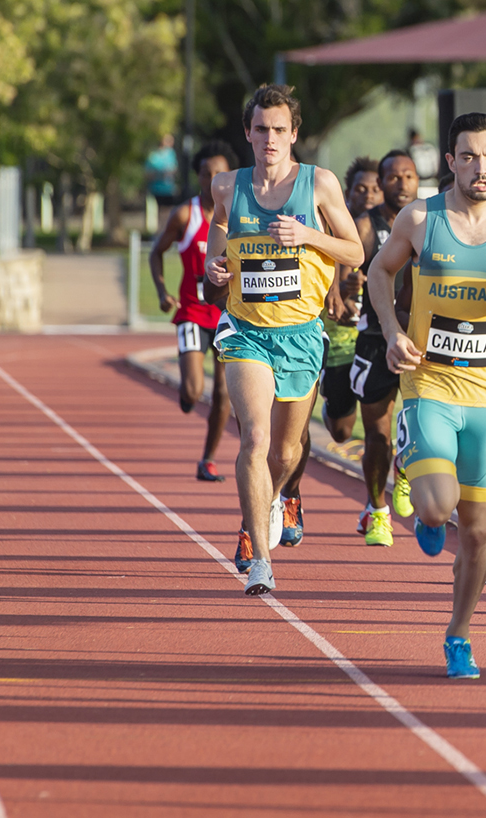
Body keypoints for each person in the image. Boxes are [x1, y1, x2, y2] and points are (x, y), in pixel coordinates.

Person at [366, 111, 486, 679]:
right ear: (451, 161)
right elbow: (379, 274)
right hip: (429, 385)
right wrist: (392, 332)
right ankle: (425, 503)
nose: (480, 167)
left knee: (479, 534)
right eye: (469, 156)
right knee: (436, 506)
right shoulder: (421, 218)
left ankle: (459, 635)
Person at [204, 84, 364, 596]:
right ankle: (261, 559)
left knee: (287, 450)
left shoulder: (319, 184)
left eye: (279, 129)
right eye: (261, 129)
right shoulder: (227, 186)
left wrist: (308, 235)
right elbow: (218, 239)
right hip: (246, 332)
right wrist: (214, 266)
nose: (269, 138)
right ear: (247, 133)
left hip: (300, 334)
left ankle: (273, 498)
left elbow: (355, 252)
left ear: (294, 134)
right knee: (255, 438)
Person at [150, 141, 238, 484]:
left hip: (227, 314)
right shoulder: (186, 215)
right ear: (198, 176)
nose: (212, 179)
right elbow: (156, 252)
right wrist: (162, 292)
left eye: (219, 173)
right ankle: (186, 394)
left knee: (224, 392)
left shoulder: (241, 215)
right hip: (192, 312)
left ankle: (208, 460)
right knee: (193, 390)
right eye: (205, 173)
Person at [350, 150, 421, 546]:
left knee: (422, 431)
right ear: (382, 183)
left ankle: (406, 465)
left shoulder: (430, 221)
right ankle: (378, 512)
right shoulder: (366, 224)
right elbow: (345, 269)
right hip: (376, 339)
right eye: (393, 177)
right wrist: (344, 288)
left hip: (420, 340)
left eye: (409, 176)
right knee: (376, 434)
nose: (402, 183)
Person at [320, 158, 383, 444]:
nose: (368, 195)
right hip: (340, 340)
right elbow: (327, 297)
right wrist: (346, 288)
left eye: (375, 189)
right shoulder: (331, 231)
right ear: (347, 193)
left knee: (378, 428)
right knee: (341, 432)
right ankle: (329, 404)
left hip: (374, 339)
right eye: (361, 189)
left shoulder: (392, 230)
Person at [145, 133, 180, 203]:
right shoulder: (154, 155)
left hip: (169, 191)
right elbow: (147, 174)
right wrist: (160, 174)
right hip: (156, 191)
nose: (171, 143)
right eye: (168, 140)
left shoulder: (171, 154)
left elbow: (175, 170)